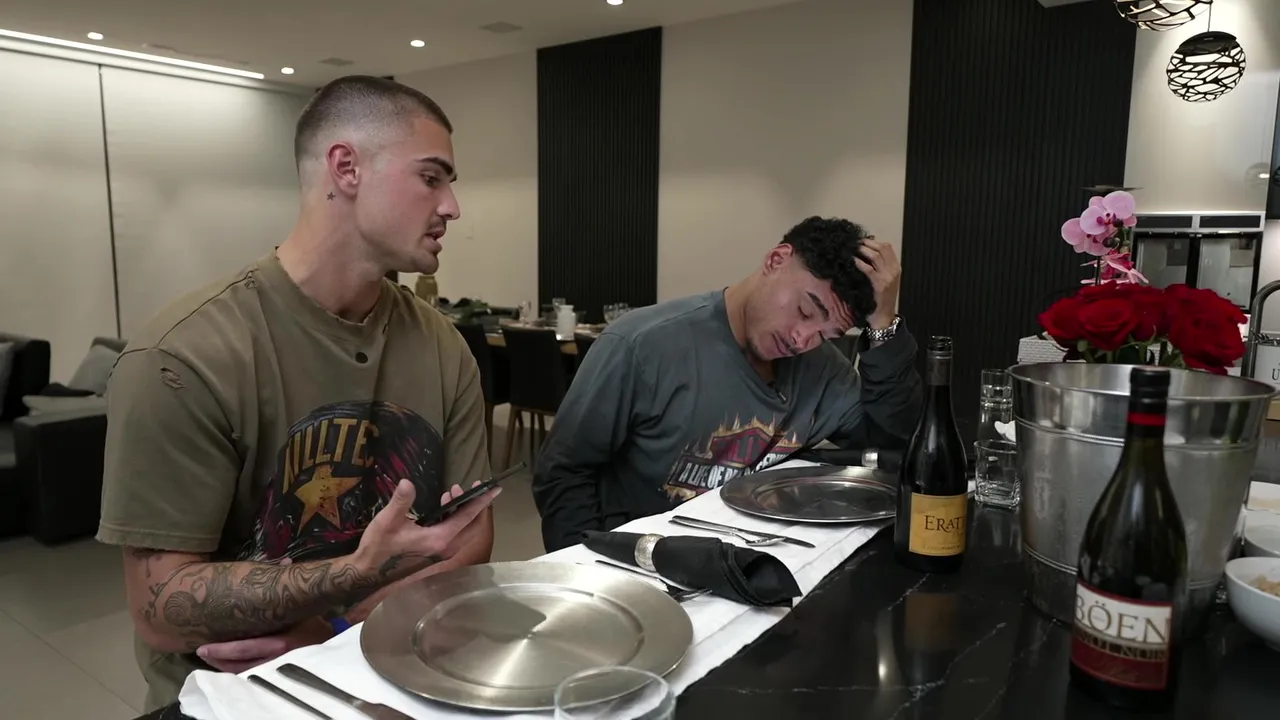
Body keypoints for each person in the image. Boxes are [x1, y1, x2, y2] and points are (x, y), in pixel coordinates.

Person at [96, 75, 499, 710]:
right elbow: (161, 605)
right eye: (431, 178)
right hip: (236, 697)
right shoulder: (186, 357)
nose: (452, 207)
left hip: (396, 672)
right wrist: (353, 576)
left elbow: (470, 538)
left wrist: (335, 630)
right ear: (346, 168)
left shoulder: (442, 345)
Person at [533, 216, 923, 551]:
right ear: (776, 260)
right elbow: (563, 475)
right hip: (643, 560)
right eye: (805, 311)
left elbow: (897, 445)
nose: (802, 339)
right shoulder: (643, 345)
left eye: (826, 333)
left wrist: (884, 324)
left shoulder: (820, 368)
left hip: (751, 560)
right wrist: (592, 574)